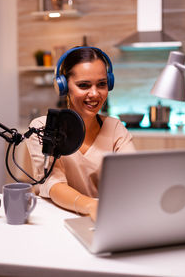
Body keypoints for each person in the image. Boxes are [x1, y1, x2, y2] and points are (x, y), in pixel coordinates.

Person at [26, 46, 136, 221]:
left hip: (104, 219)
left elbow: (133, 178)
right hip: (56, 219)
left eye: (101, 84)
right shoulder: (43, 127)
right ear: (63, 87)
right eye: (83, 85)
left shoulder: (115, 129)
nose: (94, 94)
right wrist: (91, 205)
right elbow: (53, 184)